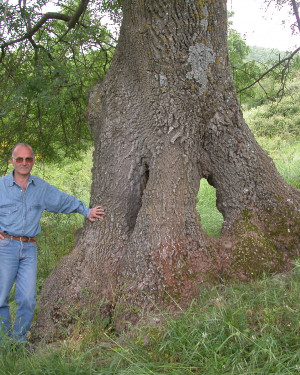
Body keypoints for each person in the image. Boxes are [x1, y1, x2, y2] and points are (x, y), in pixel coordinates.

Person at [0, 143, 105, 346]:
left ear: (33, 161)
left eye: (28, 159)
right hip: (6, 247)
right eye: (19, 159)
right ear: (12, 161)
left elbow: (63, 201)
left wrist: (86, 211)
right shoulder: (1, 186)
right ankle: (5, 342)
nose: (24, 163)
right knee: (1, 298)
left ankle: (18, 342)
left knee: (28, 299)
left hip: (29, 248)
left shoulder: (41, 188)